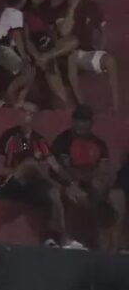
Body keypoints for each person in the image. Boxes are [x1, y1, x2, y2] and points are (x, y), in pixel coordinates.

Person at [0, 102, 80, 249]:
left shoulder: (39, 141)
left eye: (29, 113)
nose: (24, 115)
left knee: (54, 193)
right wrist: (16, 172)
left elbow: (56, 167)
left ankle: (58, 238)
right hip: (9, 184)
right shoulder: (8, 137)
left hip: (29, 187)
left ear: (35, 118)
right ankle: (51, 184)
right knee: (30, 164)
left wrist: (71, 183)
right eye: (22, 110)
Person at [51, 105, 118, 251]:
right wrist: (76, 181)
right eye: (79, 120)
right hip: (67, 183)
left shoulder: (99, 144)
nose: (82, 124)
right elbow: (64, 170)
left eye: (86, 121)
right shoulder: (63, 140)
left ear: (91, 123)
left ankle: (109, 248)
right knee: (73, 195)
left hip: (91, 185)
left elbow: (104, 171)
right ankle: (67, 241)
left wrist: (97, 183)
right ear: (73, 121)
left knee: (111, 200)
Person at [57, 0, 118, 113]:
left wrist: (100, 49)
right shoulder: (63, 8)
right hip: (69, 52)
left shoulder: (93, 7)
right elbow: (64, 32)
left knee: (110, 61)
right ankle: (82, 105)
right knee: (72, 57)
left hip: (88, 52)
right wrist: (72, 7)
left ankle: (115, 107)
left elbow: (104, 31)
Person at [22, 0, 75, 108]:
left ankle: (48, 58)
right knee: (51, 65)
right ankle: (65, 104)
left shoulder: (47, 12)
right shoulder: (23, 12)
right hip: (36, 49)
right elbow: (26, 40)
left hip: (52, 50)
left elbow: (58, 32)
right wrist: (37, 56)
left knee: (73, 41)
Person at [0, 0, 36, 105]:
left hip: (5, 49)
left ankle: (19, 100)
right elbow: (17, 35)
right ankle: (8, 97)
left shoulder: (7, 11)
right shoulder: (14, 12)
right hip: (2, 49)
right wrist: (23, 56)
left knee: (32, 71)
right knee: (27, 71)